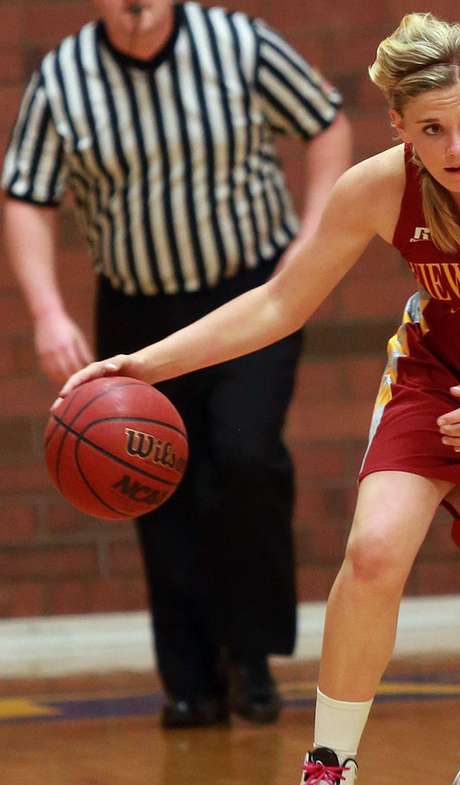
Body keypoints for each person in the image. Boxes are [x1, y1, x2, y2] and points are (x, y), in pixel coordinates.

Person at [58, 11, 460, 785]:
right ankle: (327, 778)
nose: (455, 147)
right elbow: (278, 303)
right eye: (430, 130)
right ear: (398, 129)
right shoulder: (378, 188)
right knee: (375, 551)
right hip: (438, 377)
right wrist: (144, 366)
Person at [3, 0, 352, 728]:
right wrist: (47, 312)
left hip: (252, 295)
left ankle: (250, 656)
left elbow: (327, 123)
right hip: (137, 306)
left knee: (244, 455)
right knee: (150, 482)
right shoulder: (63, 78)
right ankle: (190, 681)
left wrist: (311, 238)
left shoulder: (238, 44)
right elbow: (26, 195)